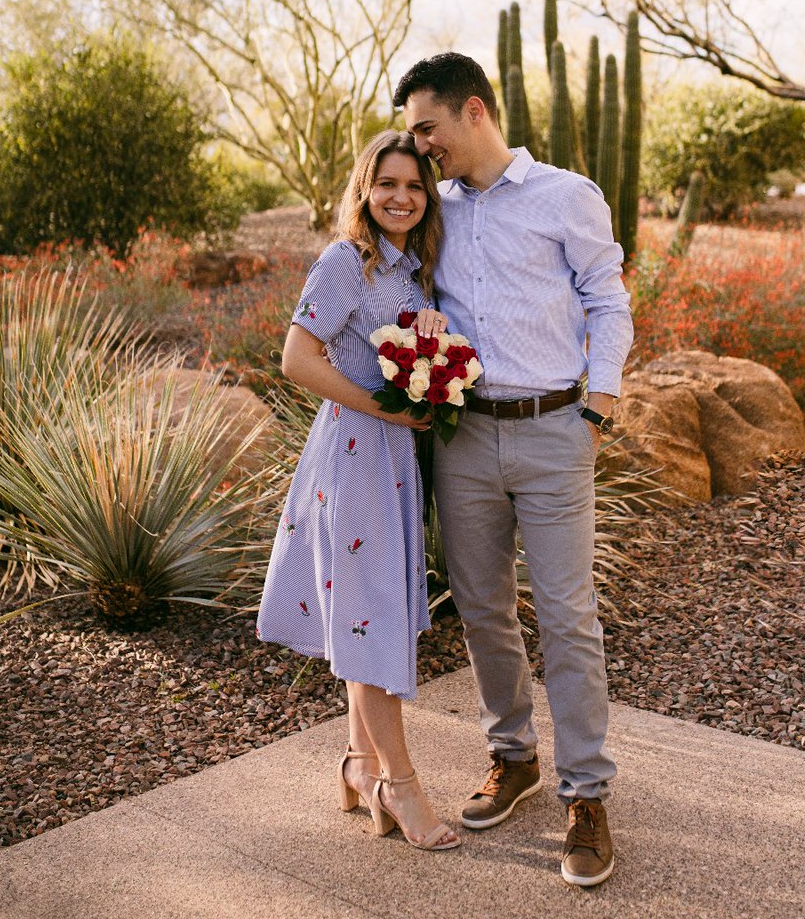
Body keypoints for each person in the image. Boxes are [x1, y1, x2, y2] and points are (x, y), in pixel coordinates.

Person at [394, 52, 633, 887]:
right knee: (485, 610)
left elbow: (608, 297)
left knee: (568, 617)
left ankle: (588, 793)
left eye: (429, 129)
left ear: (475, 112)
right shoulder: (436, 210)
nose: (422, 147)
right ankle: (514, 758)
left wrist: (598, 405)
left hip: (552, 431)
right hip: (464, 439)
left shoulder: (566, 195)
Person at [256, 130, 460, 852]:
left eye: (413, 185)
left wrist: (432, 332)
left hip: (396, 458)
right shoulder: (345, 261)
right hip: (353, 453)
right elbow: (295, 358)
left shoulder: (413, 271)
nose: (400, 197)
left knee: (369, 613)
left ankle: (357, 766)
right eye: (387, 184)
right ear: (364, 191)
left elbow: (412, 350)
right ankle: (399, 786)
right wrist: (384, 407)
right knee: (370, 614)